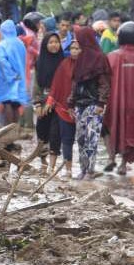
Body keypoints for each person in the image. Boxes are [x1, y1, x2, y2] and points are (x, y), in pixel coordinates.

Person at [103, 22, 134, 175]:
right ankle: (123, 164)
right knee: (131, 132)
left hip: (115, 102)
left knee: (107, 127)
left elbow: (104, 81)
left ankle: (111, 157)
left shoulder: (113, 56)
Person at [67, 27, 111, 180]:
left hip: (94, 104)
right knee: (80, 138)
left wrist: (101, 103)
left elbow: (104, 83)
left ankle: (90, 171)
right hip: (80, 105)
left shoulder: (100, 58)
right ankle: (83, 169)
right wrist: (71, 103)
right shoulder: (80, 59)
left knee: (92, 138)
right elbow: (75, 83)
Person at [45, 40, 80, 178]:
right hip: (61, 108)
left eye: (77, 48)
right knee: (59, 137)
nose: (74, 51)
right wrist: (50, 101)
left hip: (80, 108)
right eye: (72, 48)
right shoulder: (64, 65)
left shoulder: (87, 67)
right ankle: (57, 168)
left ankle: (76, 170)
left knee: (76, 140)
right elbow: (56, 84)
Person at [33, 33, 65, 174]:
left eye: (56, 42)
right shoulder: (40, 62)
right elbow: (36, 85)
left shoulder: (64, 62)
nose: (54, 45)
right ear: (45, 45)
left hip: (59, 103)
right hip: (43, 100)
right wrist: (38, 104)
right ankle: (43, 160)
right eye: (51, 42)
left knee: (55, 133)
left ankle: (52, 166)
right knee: (42, 131)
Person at [0, 20, 28, 125]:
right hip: (20, 76)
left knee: (7, 101)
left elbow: (2, 61)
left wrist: (10, 75)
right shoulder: (20, 43)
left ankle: (9, 129)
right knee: (16, 103)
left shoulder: (2, 45)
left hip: (6, 78)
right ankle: (14, 129)